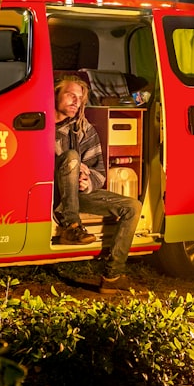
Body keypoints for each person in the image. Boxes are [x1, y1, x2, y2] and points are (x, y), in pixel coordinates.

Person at [54, 75, 142, 294]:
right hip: (51, 193)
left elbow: (100, 172)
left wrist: (87, 180)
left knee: (132, 207)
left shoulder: (84, 129)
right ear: (55, 94)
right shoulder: (40, 126)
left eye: (80, 99)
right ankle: (71, 227)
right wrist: (71, 165)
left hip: (77, 196)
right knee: (72, 156)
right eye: (70, 95)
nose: (76, 102)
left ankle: (112, 276)